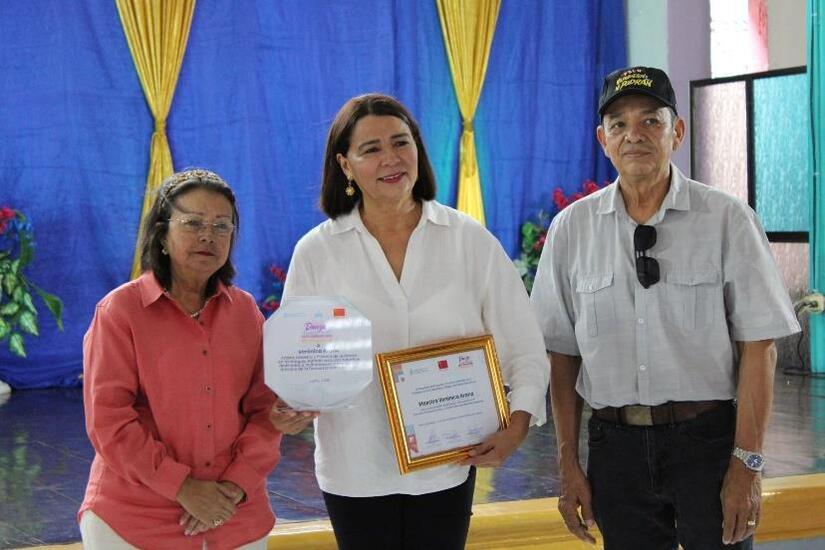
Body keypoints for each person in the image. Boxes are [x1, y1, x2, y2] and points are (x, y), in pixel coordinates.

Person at [531, 66, 801, 549]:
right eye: (619, 124)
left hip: (709, 443)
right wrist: (568, 463)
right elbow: (560, 355)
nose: (634, 134)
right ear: (602, 139)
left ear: (677, 131)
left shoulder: (726, 219)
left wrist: (748, 463)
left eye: (650, 120)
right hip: (616, 450)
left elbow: (760, 346)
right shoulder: (572, 230)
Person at [269, 93, 550, 549]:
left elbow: (524, 345)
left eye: (401, 143)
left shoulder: (468, 241)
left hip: (448, 465)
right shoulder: (317, 252)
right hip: (355, 468)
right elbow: (301, 364)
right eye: (371, 149)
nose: (391, 159)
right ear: (345, 165)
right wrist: (292, 403)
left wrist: (518, 424)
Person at [78, 169, 282, 549]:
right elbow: (109, 421)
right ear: (162, 234)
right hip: (133, 519)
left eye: (222, 226)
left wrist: (236, 485)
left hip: (235, 513)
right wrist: (183, 488)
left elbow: (265, 410)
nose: (208, 235)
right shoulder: (121, 311)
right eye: (192, 223)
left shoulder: (245, 312)